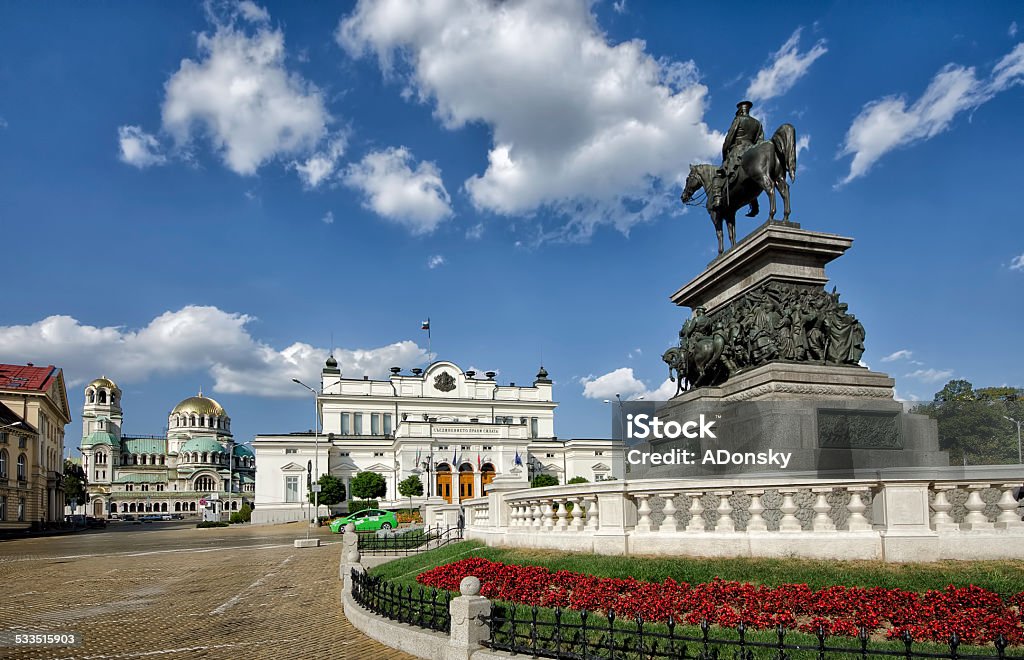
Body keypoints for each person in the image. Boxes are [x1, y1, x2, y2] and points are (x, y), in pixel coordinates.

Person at [712, 101, 763, 217]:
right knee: (754, 177)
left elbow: (729, 138)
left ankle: (717, 200)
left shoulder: (738, 120)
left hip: (738, 151)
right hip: (752, 150)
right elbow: (760, 140)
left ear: (740, 110)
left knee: (718, 175)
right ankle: (755, 205)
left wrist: (725, 154)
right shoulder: (757, 123)